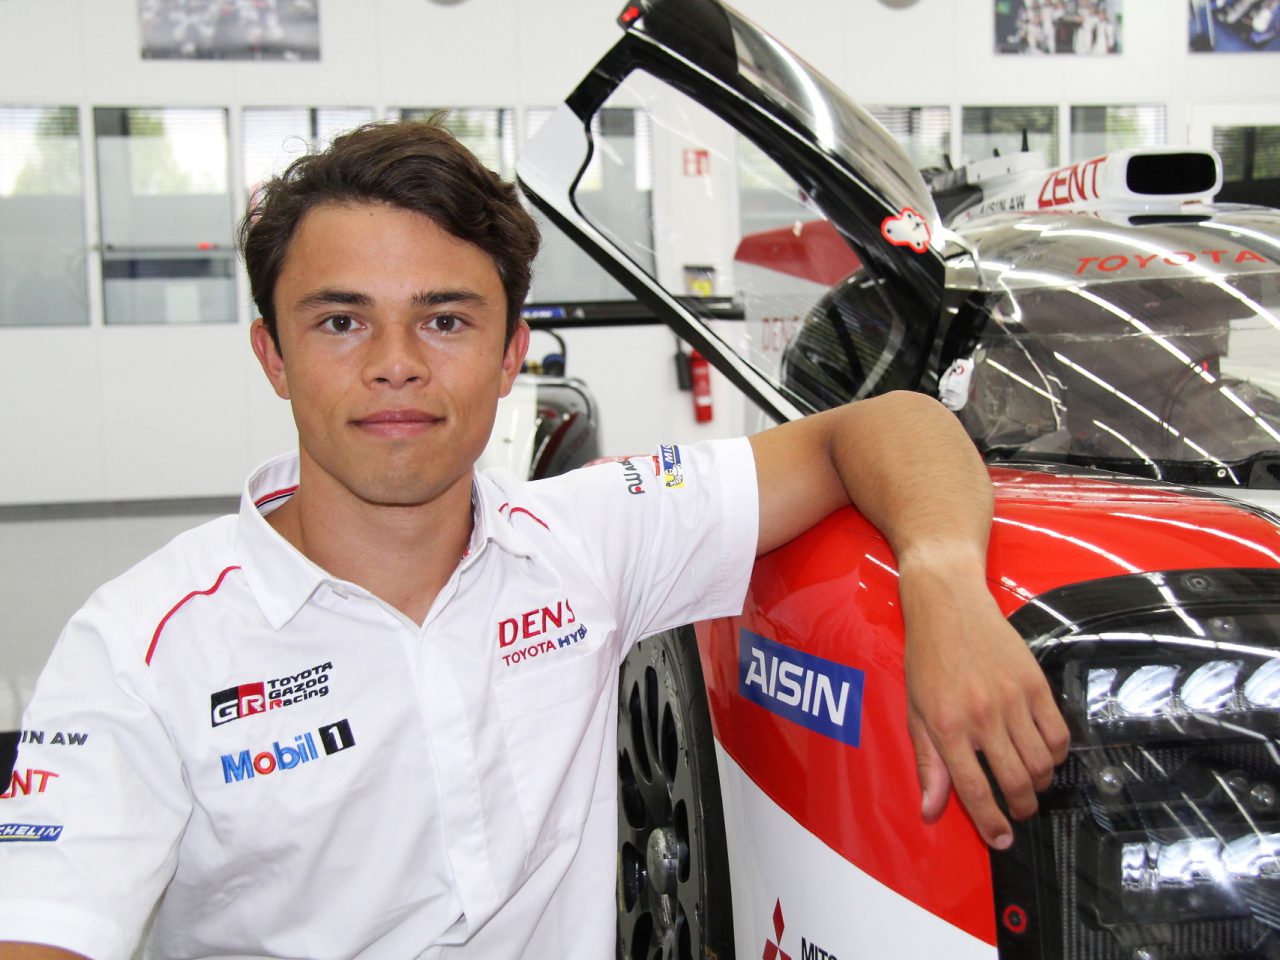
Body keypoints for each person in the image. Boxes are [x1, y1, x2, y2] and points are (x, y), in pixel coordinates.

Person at [0, 119, 1067, 959]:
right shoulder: (140, 645)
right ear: (271, 356)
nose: (394, 363)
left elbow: (888, 426)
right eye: (339, 321)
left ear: (511, 355)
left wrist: (940, 579)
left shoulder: (586, 538)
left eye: (445, 319)